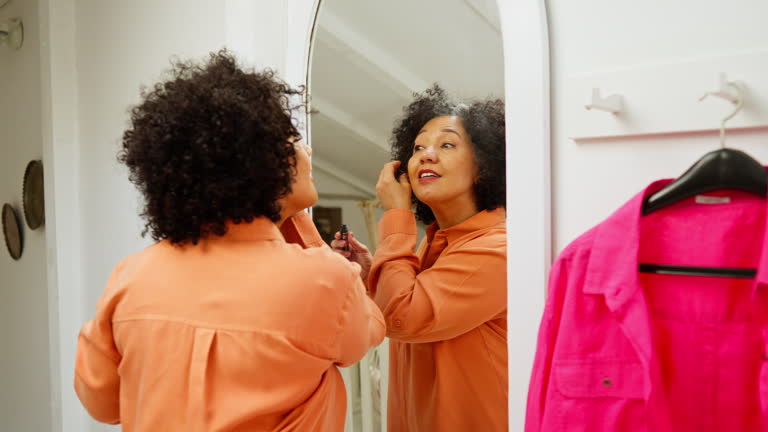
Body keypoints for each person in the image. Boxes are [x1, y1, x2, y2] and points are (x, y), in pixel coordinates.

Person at [73, 50, 385, 432]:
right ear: (264, 163)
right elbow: (366, 333)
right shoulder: (325, 279)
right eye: (293, 140)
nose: (308, 150)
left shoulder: (131, 275)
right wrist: (315, 239)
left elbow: (102, 403)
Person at [333, 85, 508, 431]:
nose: (426, 155)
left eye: (447, 145)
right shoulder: (435, 243)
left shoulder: (497, 249)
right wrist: (370, 275)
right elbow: (407, 309)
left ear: (484, 167)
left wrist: (397, 215)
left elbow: (403, 318)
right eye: (418, 147)